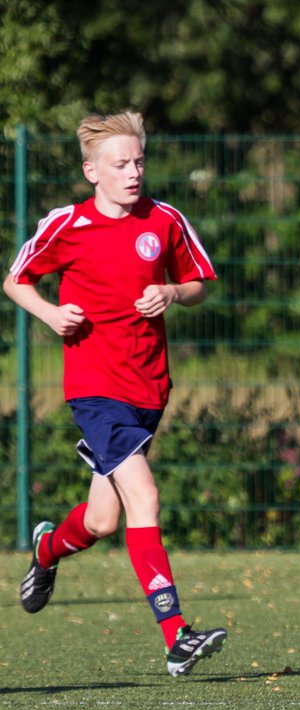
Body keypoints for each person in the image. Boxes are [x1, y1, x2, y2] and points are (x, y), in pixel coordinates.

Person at [4, 111, 227, 676]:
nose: (133, 173)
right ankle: (178, 637)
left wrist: (173, 292)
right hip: (95, 389)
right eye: (120, 164)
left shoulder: (166, 219)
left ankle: (48, 549)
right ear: (91, 171)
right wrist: (52, 314)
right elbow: (15, 280)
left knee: (102, 521)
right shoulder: (67, 224)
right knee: (144, 497)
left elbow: (200, 285)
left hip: (149, 386)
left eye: (139, 162)